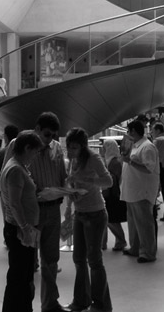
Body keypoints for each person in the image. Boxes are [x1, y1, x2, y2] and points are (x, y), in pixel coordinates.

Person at [3, 112, 68, 312]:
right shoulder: (18, 145)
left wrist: (65, 190)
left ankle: (50, 303)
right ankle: (24, 306)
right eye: (47, 134)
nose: (50, 140)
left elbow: (62, 176)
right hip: (29, 212)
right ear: (37, 129)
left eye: (54, 136)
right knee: (25, 266)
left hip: (52, 209)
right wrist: (17, 221)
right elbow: (9, 190)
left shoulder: (56, 148)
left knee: (51, 259)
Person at [64, 128, 113, 312]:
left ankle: (101, 304)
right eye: (68, 147)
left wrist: (90, 182)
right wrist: (70, 203)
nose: (70, 151)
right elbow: (72, 182)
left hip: (95, 213)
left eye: (74, 148)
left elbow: (108, 181)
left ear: (83, 147)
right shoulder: (72, 160)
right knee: (78, 258)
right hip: (80, 212)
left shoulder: (93, 158)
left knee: (94, 260)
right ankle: (81, 300)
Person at [0, 131, 43, 312]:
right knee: (20, 278)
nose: (34, 157)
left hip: (20, 227)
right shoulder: (16, 169)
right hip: (18, 229)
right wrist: (25, 227)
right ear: (26, 148)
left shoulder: (18, 166)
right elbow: (15, 203)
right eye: (34, 152)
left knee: (23, 276)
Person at [120, 120, 159, 263]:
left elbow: (149, 168)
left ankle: (148, 252)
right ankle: (135, 247)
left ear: (133, 132)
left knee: (144, 223)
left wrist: (130, 161)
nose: (127, 134)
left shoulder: (147, 147)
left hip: (142, 192)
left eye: (128, 131)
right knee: (133, 223)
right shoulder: (134, 146)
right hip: (132, 191)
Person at [100, 139, 127, 252]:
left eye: (104, 147)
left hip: (113, 195)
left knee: (111, 220)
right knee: (108, 219)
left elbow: (114, 180)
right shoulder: (109, 160)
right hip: (111, 194)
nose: (101, 149)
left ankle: (120, 241)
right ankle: (103, 243)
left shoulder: (114, 162)